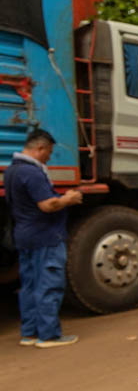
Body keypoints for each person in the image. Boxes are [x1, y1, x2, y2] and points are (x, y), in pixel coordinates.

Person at [6, 129, 82, 348]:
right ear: (39, 148)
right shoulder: (32, 173)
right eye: (48, 152)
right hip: (45, 236)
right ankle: (49, 335)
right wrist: (68, 198)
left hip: (25, 235)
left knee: (29, 285)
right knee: (49, 284)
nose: (50, 156)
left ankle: (29, 333)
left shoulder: (12, 171)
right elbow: (47, 205)